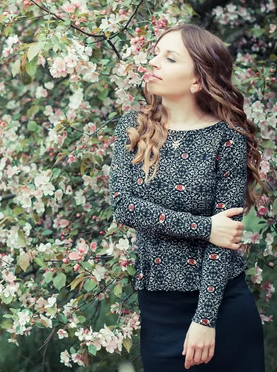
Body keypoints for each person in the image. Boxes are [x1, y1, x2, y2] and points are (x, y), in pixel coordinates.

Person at [108, 24, 266, 371]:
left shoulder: (227, 139)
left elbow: (226, 238)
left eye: (170, 57)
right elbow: (124, 206)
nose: (154, 62)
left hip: (221, 307)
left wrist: (205, 320)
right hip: (159, 308)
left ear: (197, 80)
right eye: (155, 53)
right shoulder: (132, 127)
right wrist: (204, 227)